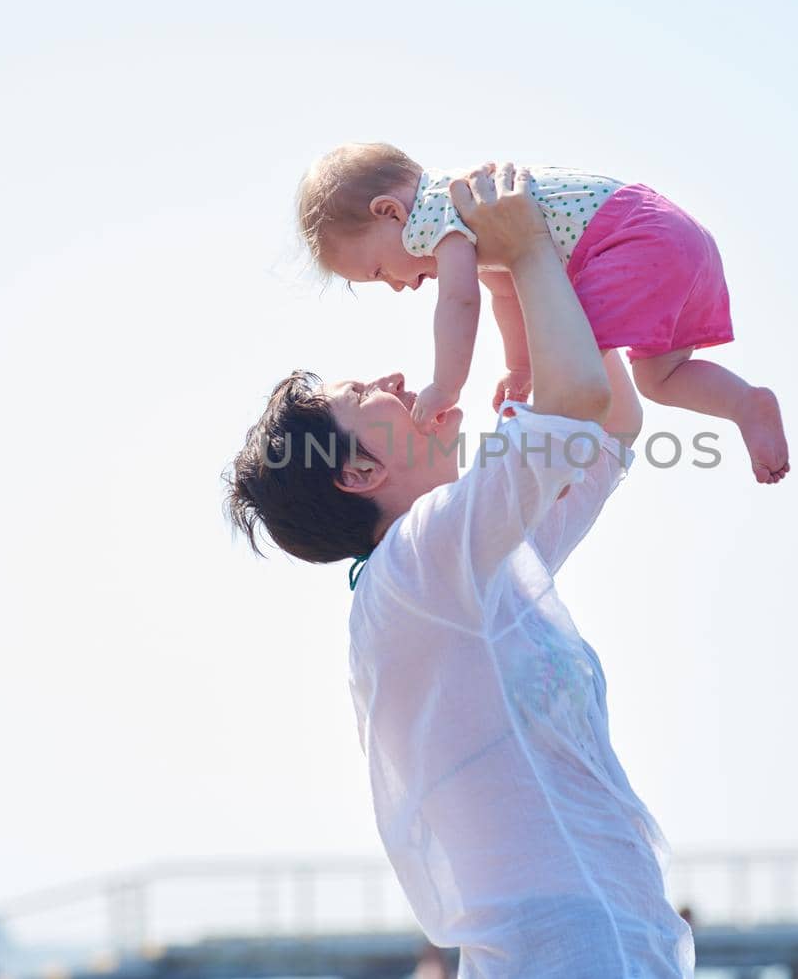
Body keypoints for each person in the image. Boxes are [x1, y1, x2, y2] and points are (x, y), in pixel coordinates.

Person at [225, 163, 695, 976]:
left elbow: (611, 420)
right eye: (365, 392)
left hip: (612, 937)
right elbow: (580, 396)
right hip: (563, 948)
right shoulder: (418, 563)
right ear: (358, 472)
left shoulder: (463, 564)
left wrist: (519, 267)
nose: (398, 379)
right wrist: (527, 252)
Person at [296, 142, 790, 483]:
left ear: (389, 213)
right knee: (659, 378)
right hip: (675, 237)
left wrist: (446, 386)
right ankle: (745, 403)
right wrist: (520, 368)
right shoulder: (475, 218)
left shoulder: (437, 212)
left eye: (380, 271)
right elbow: (505, 292)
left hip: (628, 242)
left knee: (571, 355)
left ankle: (562, 464)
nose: (399, 287)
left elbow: (459, 303)